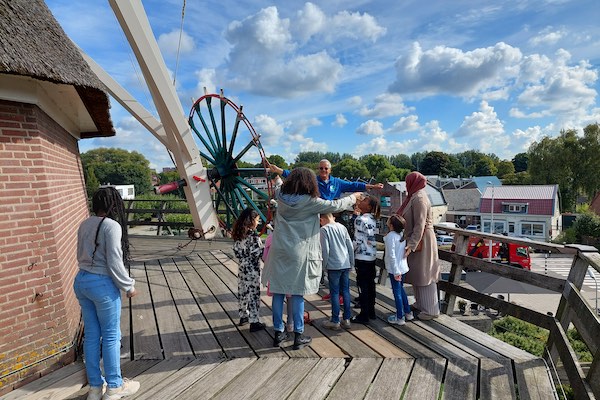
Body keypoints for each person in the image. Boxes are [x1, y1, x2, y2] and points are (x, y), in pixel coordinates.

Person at [261, 167, 363, 350]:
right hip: (300, 253)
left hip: (279, 250)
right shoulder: (311, 202)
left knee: (277, 292)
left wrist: (276, 175)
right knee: (297, 293)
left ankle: (278, 332)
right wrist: (354, 197)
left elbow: (277, 185)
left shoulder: (280, 196)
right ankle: (298, 335)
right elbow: (336, 206)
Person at [73, 187, 140, 400]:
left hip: (81, 280)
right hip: (102, 284)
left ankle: (95, 388)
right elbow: (114, 261)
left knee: (92, 335)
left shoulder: (85, 223)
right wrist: (128, 286)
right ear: (114, 204)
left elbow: (79, 254)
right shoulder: (111, 226)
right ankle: (114, 387)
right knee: (111, 335)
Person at [397, 171, 441, 320]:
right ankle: (421, 304)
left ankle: (431, 310)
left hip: (423, 240)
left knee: (425, 273)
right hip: (419, 239)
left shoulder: (419, 198)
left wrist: (412, 244)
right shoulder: (415, 195)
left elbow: (420, 224)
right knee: (418, 272)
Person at [267, 159, 383, 200]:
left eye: (326, 168)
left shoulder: (337, 182)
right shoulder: (312, 180)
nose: (323, 170)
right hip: (316, 213)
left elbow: (354, 185)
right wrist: (278, 170)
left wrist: (372, 186)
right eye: (321, 168)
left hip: (331, 213)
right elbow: (296, 176)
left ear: (330, 170)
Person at [232, 208, 265, 332]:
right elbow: (257, 252)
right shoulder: (253, 236)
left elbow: (236, 251)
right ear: (251, 221)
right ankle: (254, 320)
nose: (258, 223)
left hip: (242, 267)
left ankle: (243, 316)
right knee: (254, 294)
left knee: (243, 292)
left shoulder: (238, 234)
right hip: (252, 269)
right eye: (257, 220)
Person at [319, 213, 354, 330]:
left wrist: (323, 266)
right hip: (345, 263)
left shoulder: (324, 230)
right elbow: (349, 245)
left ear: (322, 219)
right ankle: (347, 319)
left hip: (333, 265)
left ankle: (335, 320)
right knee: (345, 291)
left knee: (334, 292)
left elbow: (325, 250)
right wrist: (351, 262)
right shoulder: (342, 227)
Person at [351, 194, 381, 324]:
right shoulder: (374, 219)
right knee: (370, 284)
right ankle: (371, 311)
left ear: (368, 206)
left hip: (361, 256)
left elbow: (357, 240)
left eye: (364, 200)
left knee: (362, 285)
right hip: (372, 255)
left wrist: (350, 251)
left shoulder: (360, 219)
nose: (361, 201)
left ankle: (363, 315)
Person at [384, 214, 414, 325]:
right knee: (401, 290)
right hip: (403, 267)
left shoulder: (391, 236)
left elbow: (391, 255)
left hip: (395, 269)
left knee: (397, 293)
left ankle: (400, 317)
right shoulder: (401, 235)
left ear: (391, 225)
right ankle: (407, 312)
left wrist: (395, 272)